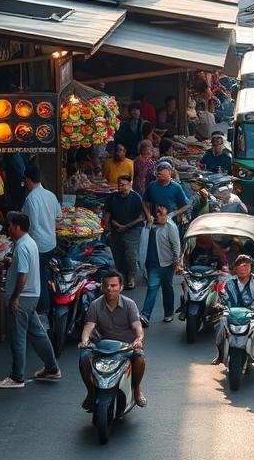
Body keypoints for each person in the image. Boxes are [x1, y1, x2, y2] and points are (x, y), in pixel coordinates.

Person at [0, 212, 61, 389]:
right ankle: (51, 367)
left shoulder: (22, 246)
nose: (8, 229)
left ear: (16, 226)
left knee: (18, 337)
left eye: (9, 226)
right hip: (31, 296)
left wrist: (15, 297)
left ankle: (17, 377)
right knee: (37, 333)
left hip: (23, 297)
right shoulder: (29, 242)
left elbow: (23, 275)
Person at [78, 272, 146, 411]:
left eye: (113, 285)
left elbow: (137, 326)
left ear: (120, 287)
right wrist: (84, 341)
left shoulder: (129, 304)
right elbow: (88, 326)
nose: (110, 289)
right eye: (106, 286)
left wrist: (139, 339)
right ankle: (91, 392)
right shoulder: (95, 305)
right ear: (102, 287)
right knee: (84, 358)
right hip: (102, 348)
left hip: (126, 348)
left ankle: (137, 389)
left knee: (140, 358)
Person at [212, 254, 254, 365]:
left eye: (246, 266)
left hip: (252, 316)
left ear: (250, 268)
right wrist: (219, 305)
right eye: (240, 265)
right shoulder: (229, 282)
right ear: (235, 268)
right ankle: (220, 356)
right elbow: (222, 297)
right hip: (231, 315)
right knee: (219, 334)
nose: (243, 268)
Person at [20, 165, 60, 313]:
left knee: (39, 277)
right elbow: (58, 216)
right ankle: (47, 305)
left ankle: (43, 308)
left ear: (29, 180)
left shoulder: (31, 198)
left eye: (25, 181)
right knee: (44, 273)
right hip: (51, 242)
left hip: (39, 245)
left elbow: (31, 225)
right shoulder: (51, 195)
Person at [104, 175, 150, 290]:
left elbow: (142, 217)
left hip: (133, 229)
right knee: (118, 253)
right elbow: (108, 213)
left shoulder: (136, 198)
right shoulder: (112, 197)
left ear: (130, 185)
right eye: (119, 185)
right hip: (116, 229)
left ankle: (131, 276)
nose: (120, 187)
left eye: (123, 185)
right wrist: (110, 225)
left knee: (130, 253)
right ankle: (121, 276)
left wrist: (126, 226)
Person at [142, 204, 182, 325]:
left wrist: (177, 262)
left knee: (167, 287)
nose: (158, 216)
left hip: (167, 263)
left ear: (166, 214)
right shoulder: (150, 225)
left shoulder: (170, 227)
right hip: (152, 263)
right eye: (157, 214)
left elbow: (176, 246)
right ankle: (145, 315)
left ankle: (169, 313)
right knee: (152, 287)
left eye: (161, 214)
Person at [144, 164, 191, 230]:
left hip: (170, 223)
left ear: (169, 173)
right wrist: (148, 216)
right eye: (158, 173)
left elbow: (186, 205)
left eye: (161, 173)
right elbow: (145, 202)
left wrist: (173, 214)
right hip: (154, 223)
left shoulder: (176, 187)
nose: (159, 174)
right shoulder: (151, 186)